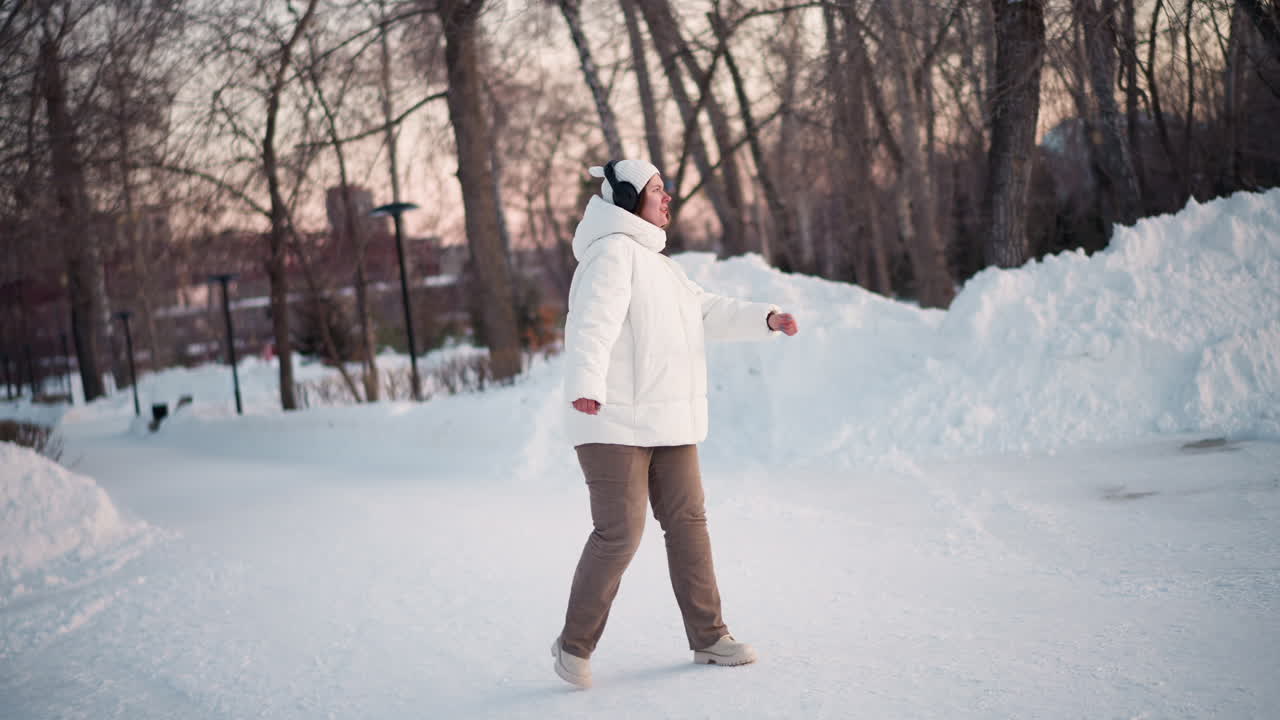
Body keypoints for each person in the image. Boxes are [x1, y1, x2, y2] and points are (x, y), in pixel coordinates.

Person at [551, 159, 799, 689]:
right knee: (620, 534)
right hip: (613, 419)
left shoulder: (660, 264)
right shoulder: (611, 255)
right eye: (658, 190)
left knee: (689, 525)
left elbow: (704, 311)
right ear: (625, 199)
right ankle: (573, 645)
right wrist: (586, 387)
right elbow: (590, 324)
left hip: (667, 420)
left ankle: (709, 637)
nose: (668, 198)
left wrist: (765, 318)